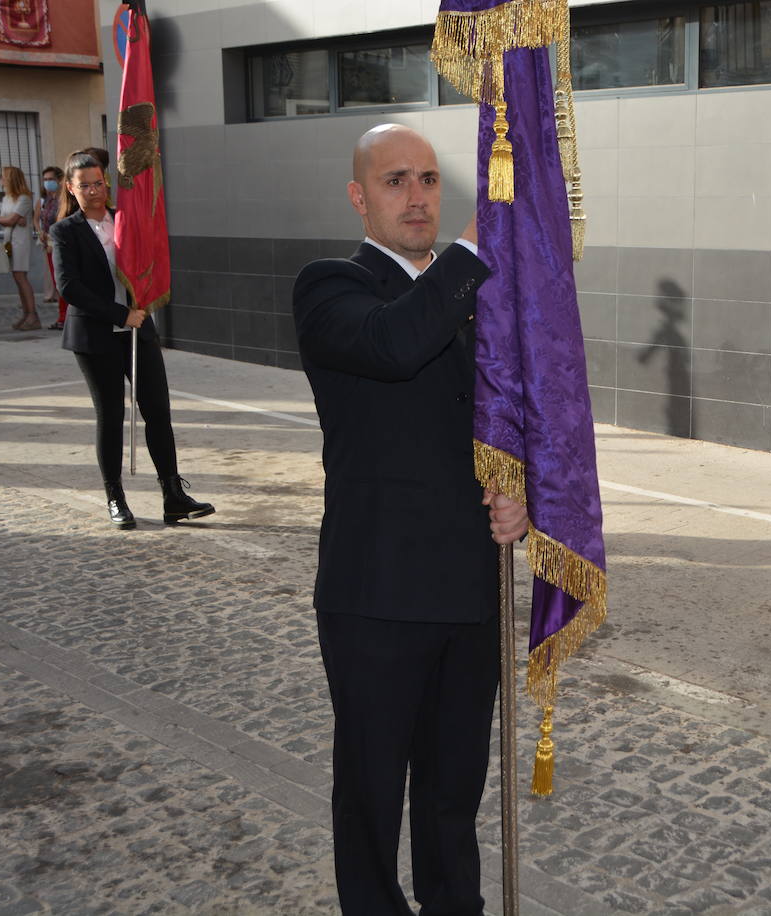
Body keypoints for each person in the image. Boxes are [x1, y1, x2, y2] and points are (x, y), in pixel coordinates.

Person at [293, 123, 527, 915]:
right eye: (396, 181)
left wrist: (515, 488)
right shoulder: (331, 286)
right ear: (360, 197)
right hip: (377, 599)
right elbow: (395, 346)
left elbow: (502, 415)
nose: (418, 195)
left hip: (469, 592)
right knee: (369, 802)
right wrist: (473, 249)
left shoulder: (470, 297)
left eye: (429, 178)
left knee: (452, 796)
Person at [50, 150, 215, 530]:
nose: (93, 190)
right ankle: (115, 498)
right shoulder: (65, 231)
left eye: (98, 182)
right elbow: (68, 286)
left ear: (106, 181)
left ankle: (173, 495)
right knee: (110, 416)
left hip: (138, 332)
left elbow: (149, 259)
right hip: (95, 335)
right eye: (84, 185)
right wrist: (119, 314)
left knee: (158, 410)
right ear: (71, 189)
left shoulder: (125, 220)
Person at [0, 165, 41, 330]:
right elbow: (7, 218)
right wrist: (8, 219)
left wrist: (7, 219)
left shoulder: (24, 198)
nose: (0, 180)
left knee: (21, 277)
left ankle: (32, 315)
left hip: (20, 242)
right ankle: (26, 313)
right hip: (10, 240)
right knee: (17, 278)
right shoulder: (7, 198)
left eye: (3, 177)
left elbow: (10, 220)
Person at [37, 165, 70, 327]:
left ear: (59, 179)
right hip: (48, 242)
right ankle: (62, 316)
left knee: (63, 279)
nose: (47, 183)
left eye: (51, 179)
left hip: (58, 242)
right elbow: (42, 219)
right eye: (45, 180)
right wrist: (41, 233)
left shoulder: (63, 199)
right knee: (57, 282)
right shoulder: (48, 199)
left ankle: (67, 317)